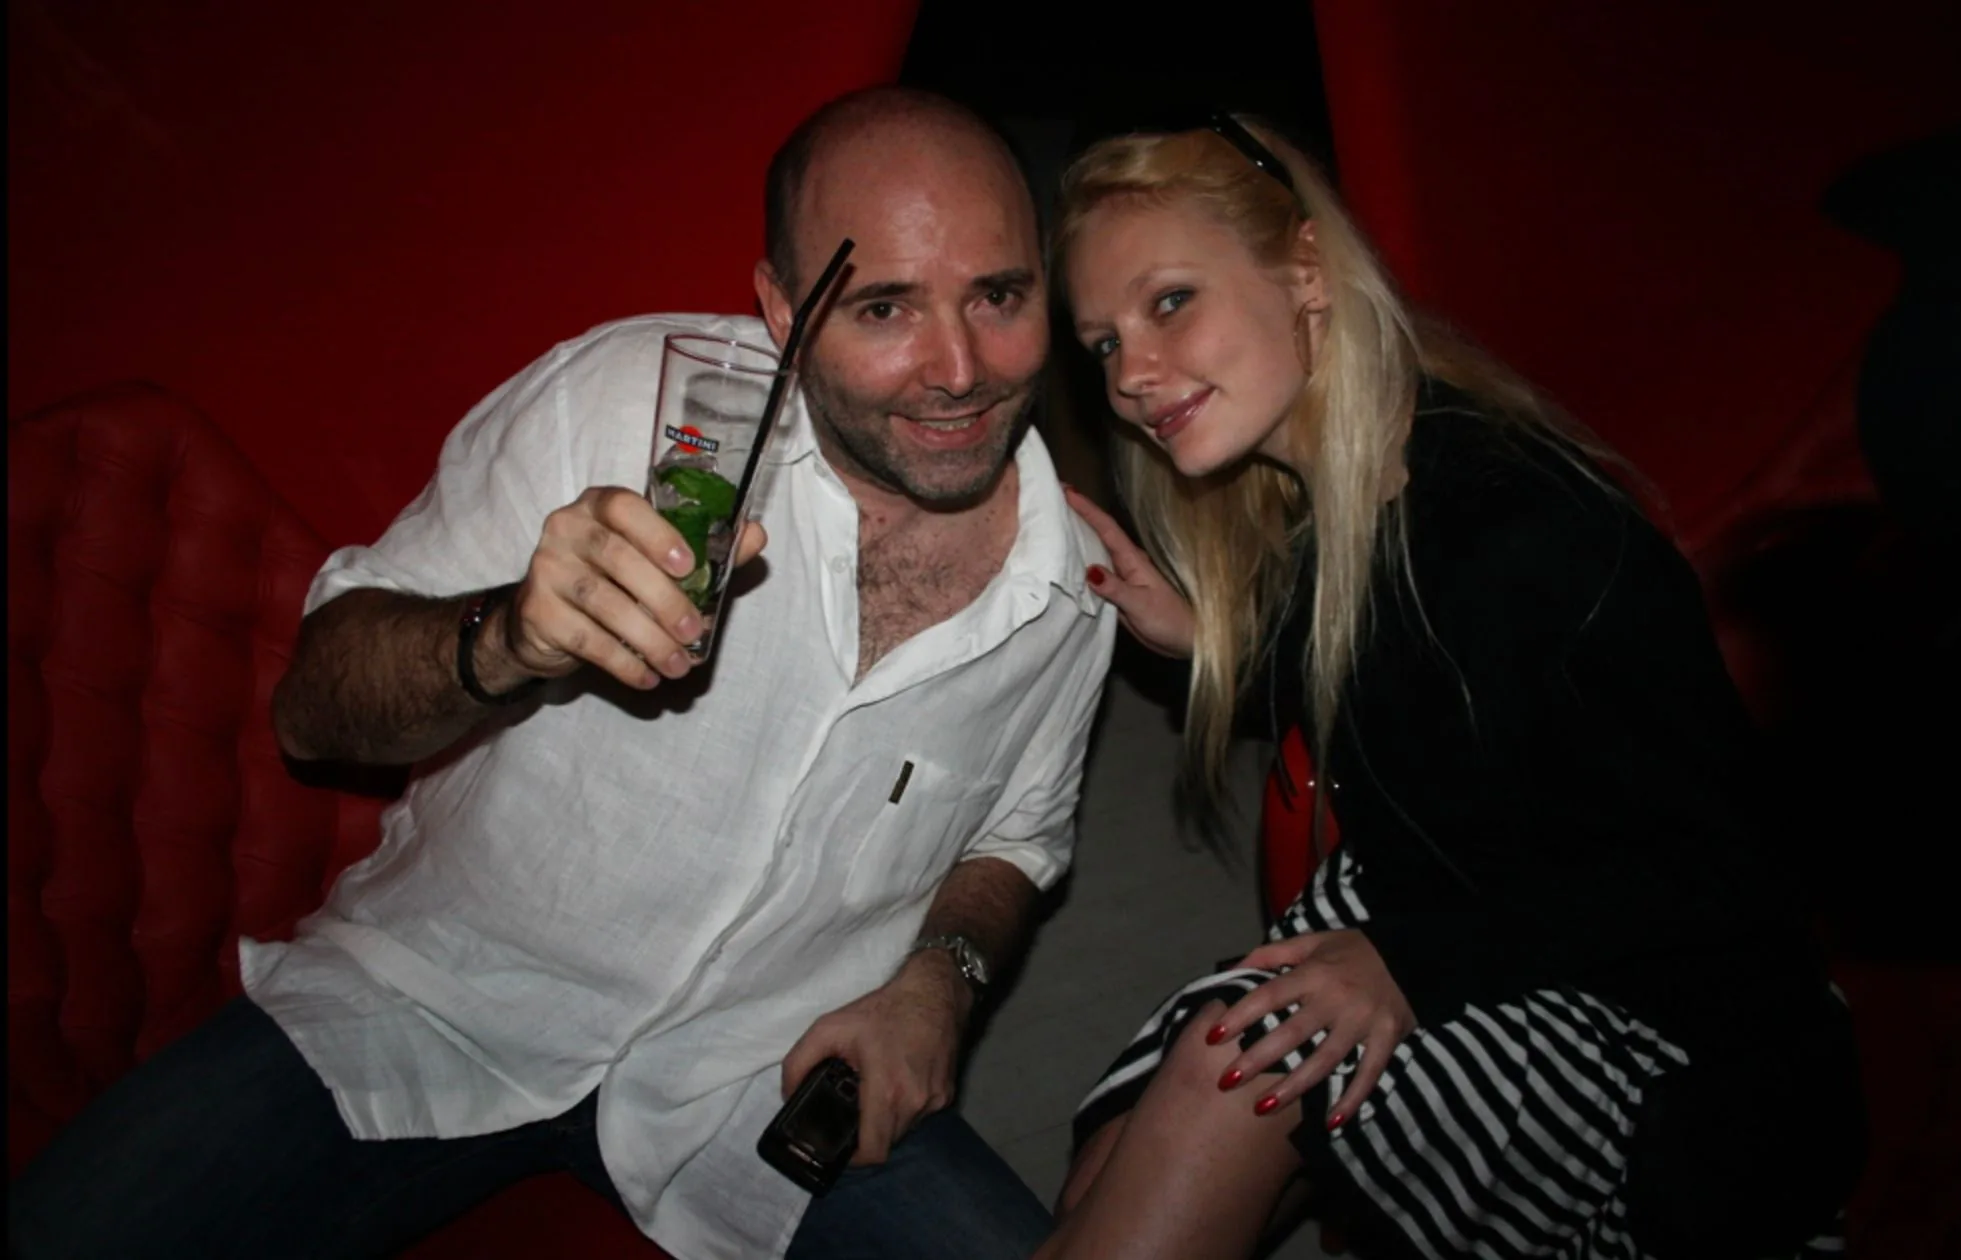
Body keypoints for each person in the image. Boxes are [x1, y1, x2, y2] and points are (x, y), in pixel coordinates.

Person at [8, 86, 1113, 1260]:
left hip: (765, 1075)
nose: (958, 369)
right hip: (437, 1003)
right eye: (884, 307)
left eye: (998, 296)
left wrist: (940, 980)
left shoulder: (1077, 586)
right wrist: (507, 639)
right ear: (782, 309)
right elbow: (314, 711)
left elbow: (1016, 840)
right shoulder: (616, 405)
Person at [1033, 116, 1866, 1260]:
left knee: (1229, 1087)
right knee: (1116, 1163)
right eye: (1102, 344)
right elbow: (1406, 677)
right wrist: (1212, 643)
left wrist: (1411, 964)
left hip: (1669, 1046)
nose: (1130, 375)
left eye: (1169, 302)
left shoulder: (1518, 531)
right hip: (1453, 899)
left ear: (1307, 271)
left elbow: (1723, 877)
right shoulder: (1359, 486)